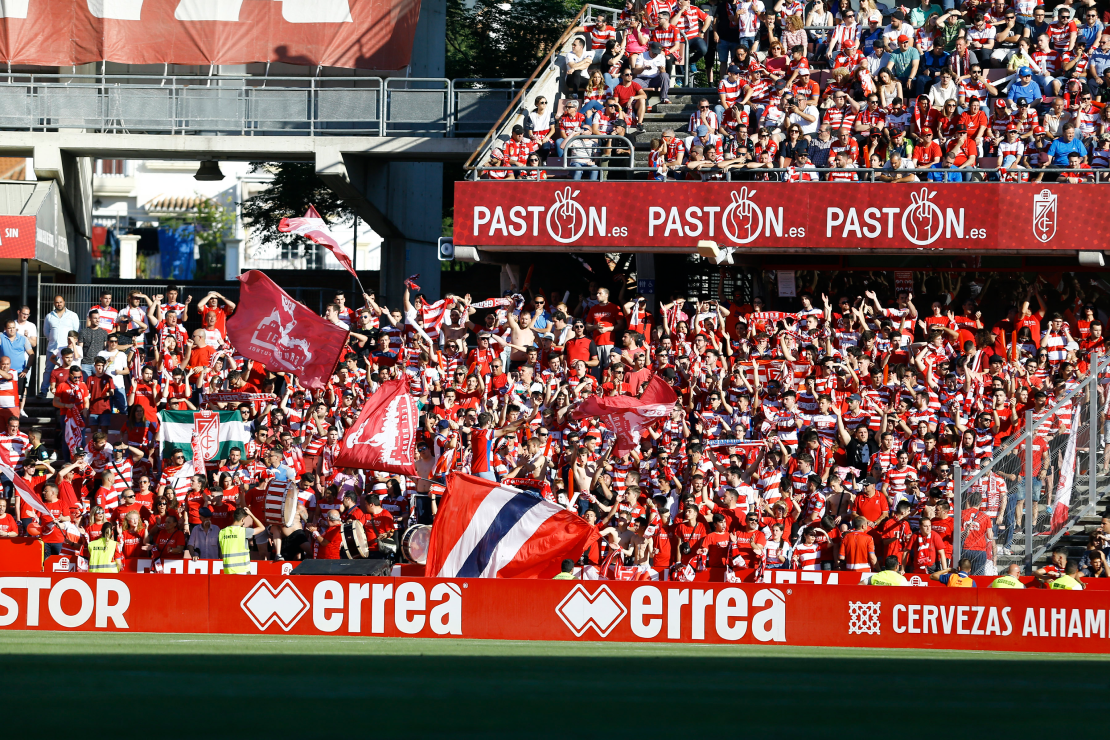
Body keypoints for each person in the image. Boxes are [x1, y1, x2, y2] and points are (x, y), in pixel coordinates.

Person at [219, 506, 265, 574]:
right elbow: (262, 528)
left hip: (228, 571)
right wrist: (251, 514)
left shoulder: (222, 532)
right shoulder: (243, 531)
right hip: (242, 571)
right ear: (243, 519)